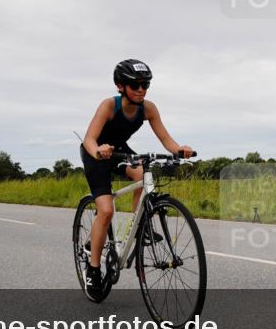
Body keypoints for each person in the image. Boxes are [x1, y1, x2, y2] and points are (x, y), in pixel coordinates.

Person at [80, 58, 193, 300]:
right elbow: (90, 138)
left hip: (119, 149)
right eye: (135, 85)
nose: (141, 89)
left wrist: (179, 149)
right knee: (106, 210)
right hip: (97, 154)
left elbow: (166, 139)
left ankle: (137, 226)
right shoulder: (109, 106)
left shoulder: (148, 109)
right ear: (120, 86)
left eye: (145, 85)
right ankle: (93, 268)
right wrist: (98, 151)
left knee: (144, 176)